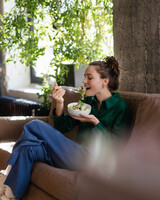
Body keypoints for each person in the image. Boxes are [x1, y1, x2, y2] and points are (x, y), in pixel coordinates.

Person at [4, 56, 131, 199]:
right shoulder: (88, 102)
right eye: (84, 77)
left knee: (34, 125)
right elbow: (62, 127)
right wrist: (59, 103)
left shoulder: (120, 108)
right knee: (28, 148)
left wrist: (96, 122)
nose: (84, 81)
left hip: (93, 161)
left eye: (89, 78)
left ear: (105, 81)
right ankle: (11, 195)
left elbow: (116, 147)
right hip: (71, 154)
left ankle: (9, 167)